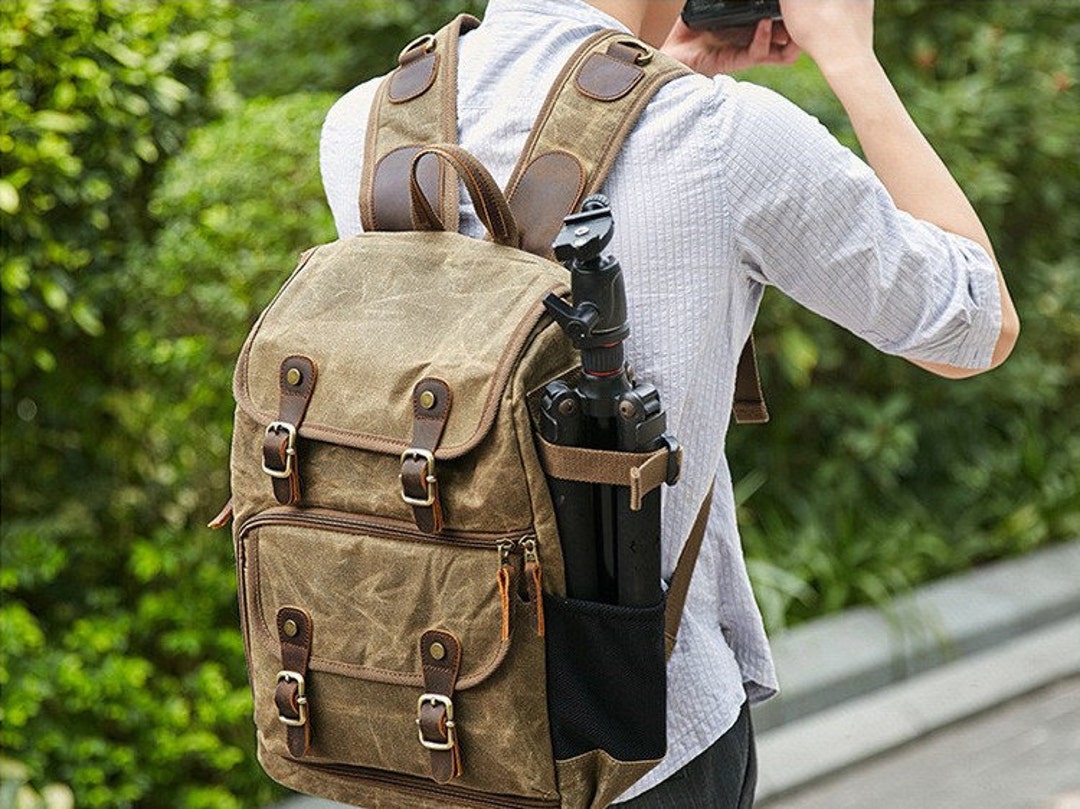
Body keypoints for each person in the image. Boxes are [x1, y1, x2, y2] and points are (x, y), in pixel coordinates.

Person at [319, 0, 1020, 806]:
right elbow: (974, 322)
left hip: (433, 720)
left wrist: (656, 59)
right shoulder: (721, 135)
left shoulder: (367, 124)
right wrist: (851, 57)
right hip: (641, 750)